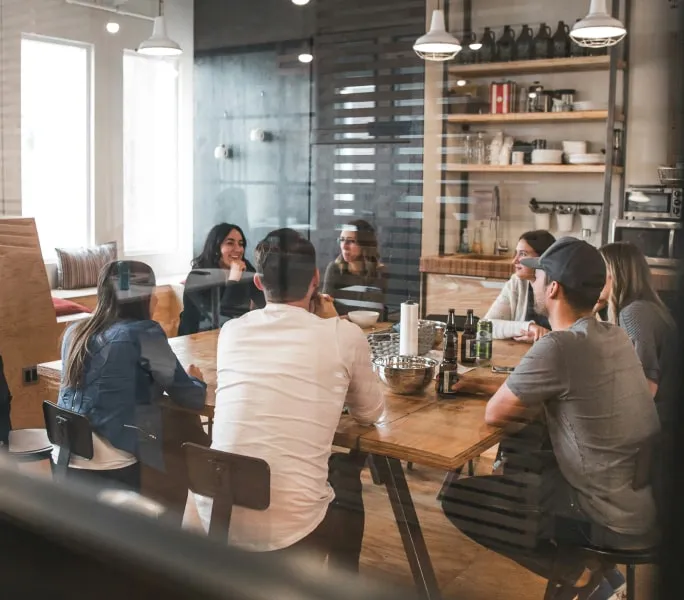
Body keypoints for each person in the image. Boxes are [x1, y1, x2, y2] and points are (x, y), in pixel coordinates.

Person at [441, 238, 660, 600]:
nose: (535, 281)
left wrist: (485, 390)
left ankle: (577, 574)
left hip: (602, 514)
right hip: (639, 498)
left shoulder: (558, 346)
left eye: (540, 275)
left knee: (459, 499)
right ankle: (595, 576)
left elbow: (495, 414)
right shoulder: (614, 334)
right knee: (528, 451)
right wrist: (481, 382)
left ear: (553, 288)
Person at [195, 228, 385, 570]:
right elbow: (370, 413)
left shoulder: (232, 332)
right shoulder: (344, 335)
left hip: (216, 513)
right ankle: (344, 585)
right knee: (346, 480)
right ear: (315, 280)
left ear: (257, 282)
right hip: (291, 528)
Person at [56, 260, 207, 499]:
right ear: (144, 296)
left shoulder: (75, 332)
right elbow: (191, 397)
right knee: (181, 434)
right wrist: (196, 380)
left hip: (66, 455)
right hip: (112, 461)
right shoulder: (143, 333)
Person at [598, 242, 677, 425]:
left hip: (659, 423)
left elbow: (646, 387)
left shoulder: (634, 313)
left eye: (599, 270)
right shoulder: (644, 307)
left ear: (615, 274)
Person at [178, 223, 266, 335]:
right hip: (197, 340)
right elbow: (222, 320)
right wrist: (234, 279)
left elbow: (265, 303)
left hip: (232, 336)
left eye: (241, 244)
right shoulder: (198, 277)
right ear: (215, 248)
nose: (238, 249)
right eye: (230, 243)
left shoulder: (245, 269)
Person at [484, 230, 556, 341]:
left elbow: (573, 336)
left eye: (523, 254)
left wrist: (543, 337)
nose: (514, 260)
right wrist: (528, 327)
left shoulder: (560, 287)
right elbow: (486, 326)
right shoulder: (516, 283)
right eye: (516, 253)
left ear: (542, 258)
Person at [322, 219, 387, 316]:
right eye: (342, 240)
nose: (344, 246)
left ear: (365, 245)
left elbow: (374, 314)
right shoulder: (335, 269)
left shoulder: (379, 272)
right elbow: (325, 310)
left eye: (351, 241)